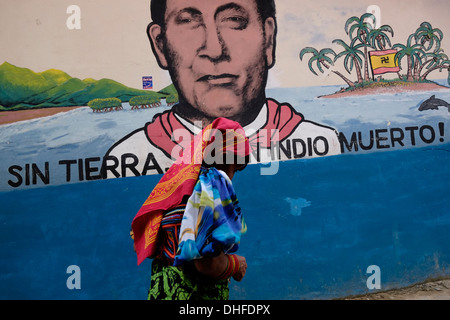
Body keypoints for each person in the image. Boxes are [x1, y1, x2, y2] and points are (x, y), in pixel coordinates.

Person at [103, 0, 341, 179]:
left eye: (234, 21)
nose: (215, 50)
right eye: (188, 22)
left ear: (268, 38)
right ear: (160, 45)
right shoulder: (128, 160)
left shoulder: (320, 143)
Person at [131, 117, 250, 300]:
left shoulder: (176, 192)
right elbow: (205, 263)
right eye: (235, 167)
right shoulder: (210, 188)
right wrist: (235, 264)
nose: (233, 175)